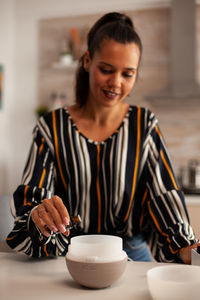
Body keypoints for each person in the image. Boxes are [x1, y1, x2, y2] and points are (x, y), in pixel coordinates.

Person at [6, 12, 199, 263]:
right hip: (69, 255)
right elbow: (33, 201)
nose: (115, 83)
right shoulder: (51, 127)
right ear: (87, 60)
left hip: (130, 255)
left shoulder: (144, 125)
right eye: (106, 69)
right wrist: (39, 215)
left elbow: (163, 197)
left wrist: (187, 248)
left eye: (127, 74)